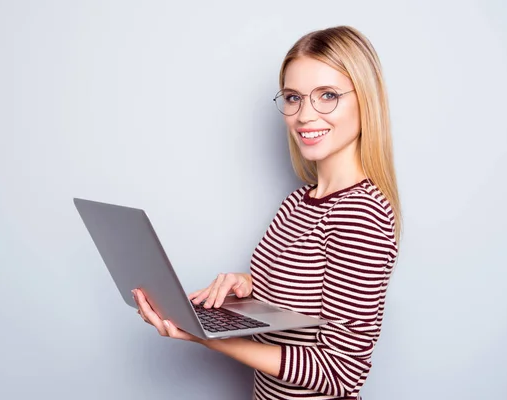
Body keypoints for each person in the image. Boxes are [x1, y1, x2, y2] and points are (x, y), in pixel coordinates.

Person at [132, 25, 401, 400]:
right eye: (293, 98)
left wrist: (206, 338)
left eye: (327, 95)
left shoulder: (361, 215)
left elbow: (341, 372)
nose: (305, 115)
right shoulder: (297, 203)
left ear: (366, 101)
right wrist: (247, 286)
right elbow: (301, 297)